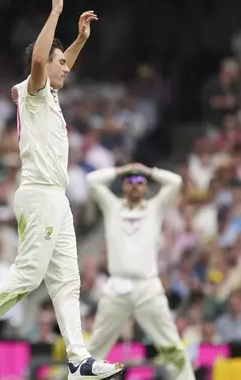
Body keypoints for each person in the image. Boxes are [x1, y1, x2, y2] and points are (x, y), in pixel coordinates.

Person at [0, 0, 124, 379]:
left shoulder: (51, 95)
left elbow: (58, 64)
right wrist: (56, 13)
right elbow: (43, 60)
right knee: (29, 274)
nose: (67, 68)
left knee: (67, 281)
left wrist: (77, 41)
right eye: (61, 62)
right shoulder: (35, 90)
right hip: (39, 194)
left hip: (55, 199)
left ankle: (79, 360)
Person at [86, 163, 195, 380]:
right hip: (116, 287)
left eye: (140, 183)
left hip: (147, 287)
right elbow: (92, 181)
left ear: (146, 188)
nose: (135, 186)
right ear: (123, 186)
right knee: (95, 348)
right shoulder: (112, 207)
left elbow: (176, 182)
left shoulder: (155, 208)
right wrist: (122, 170)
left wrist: (148, 171)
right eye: (130, 182)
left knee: (171, 346)